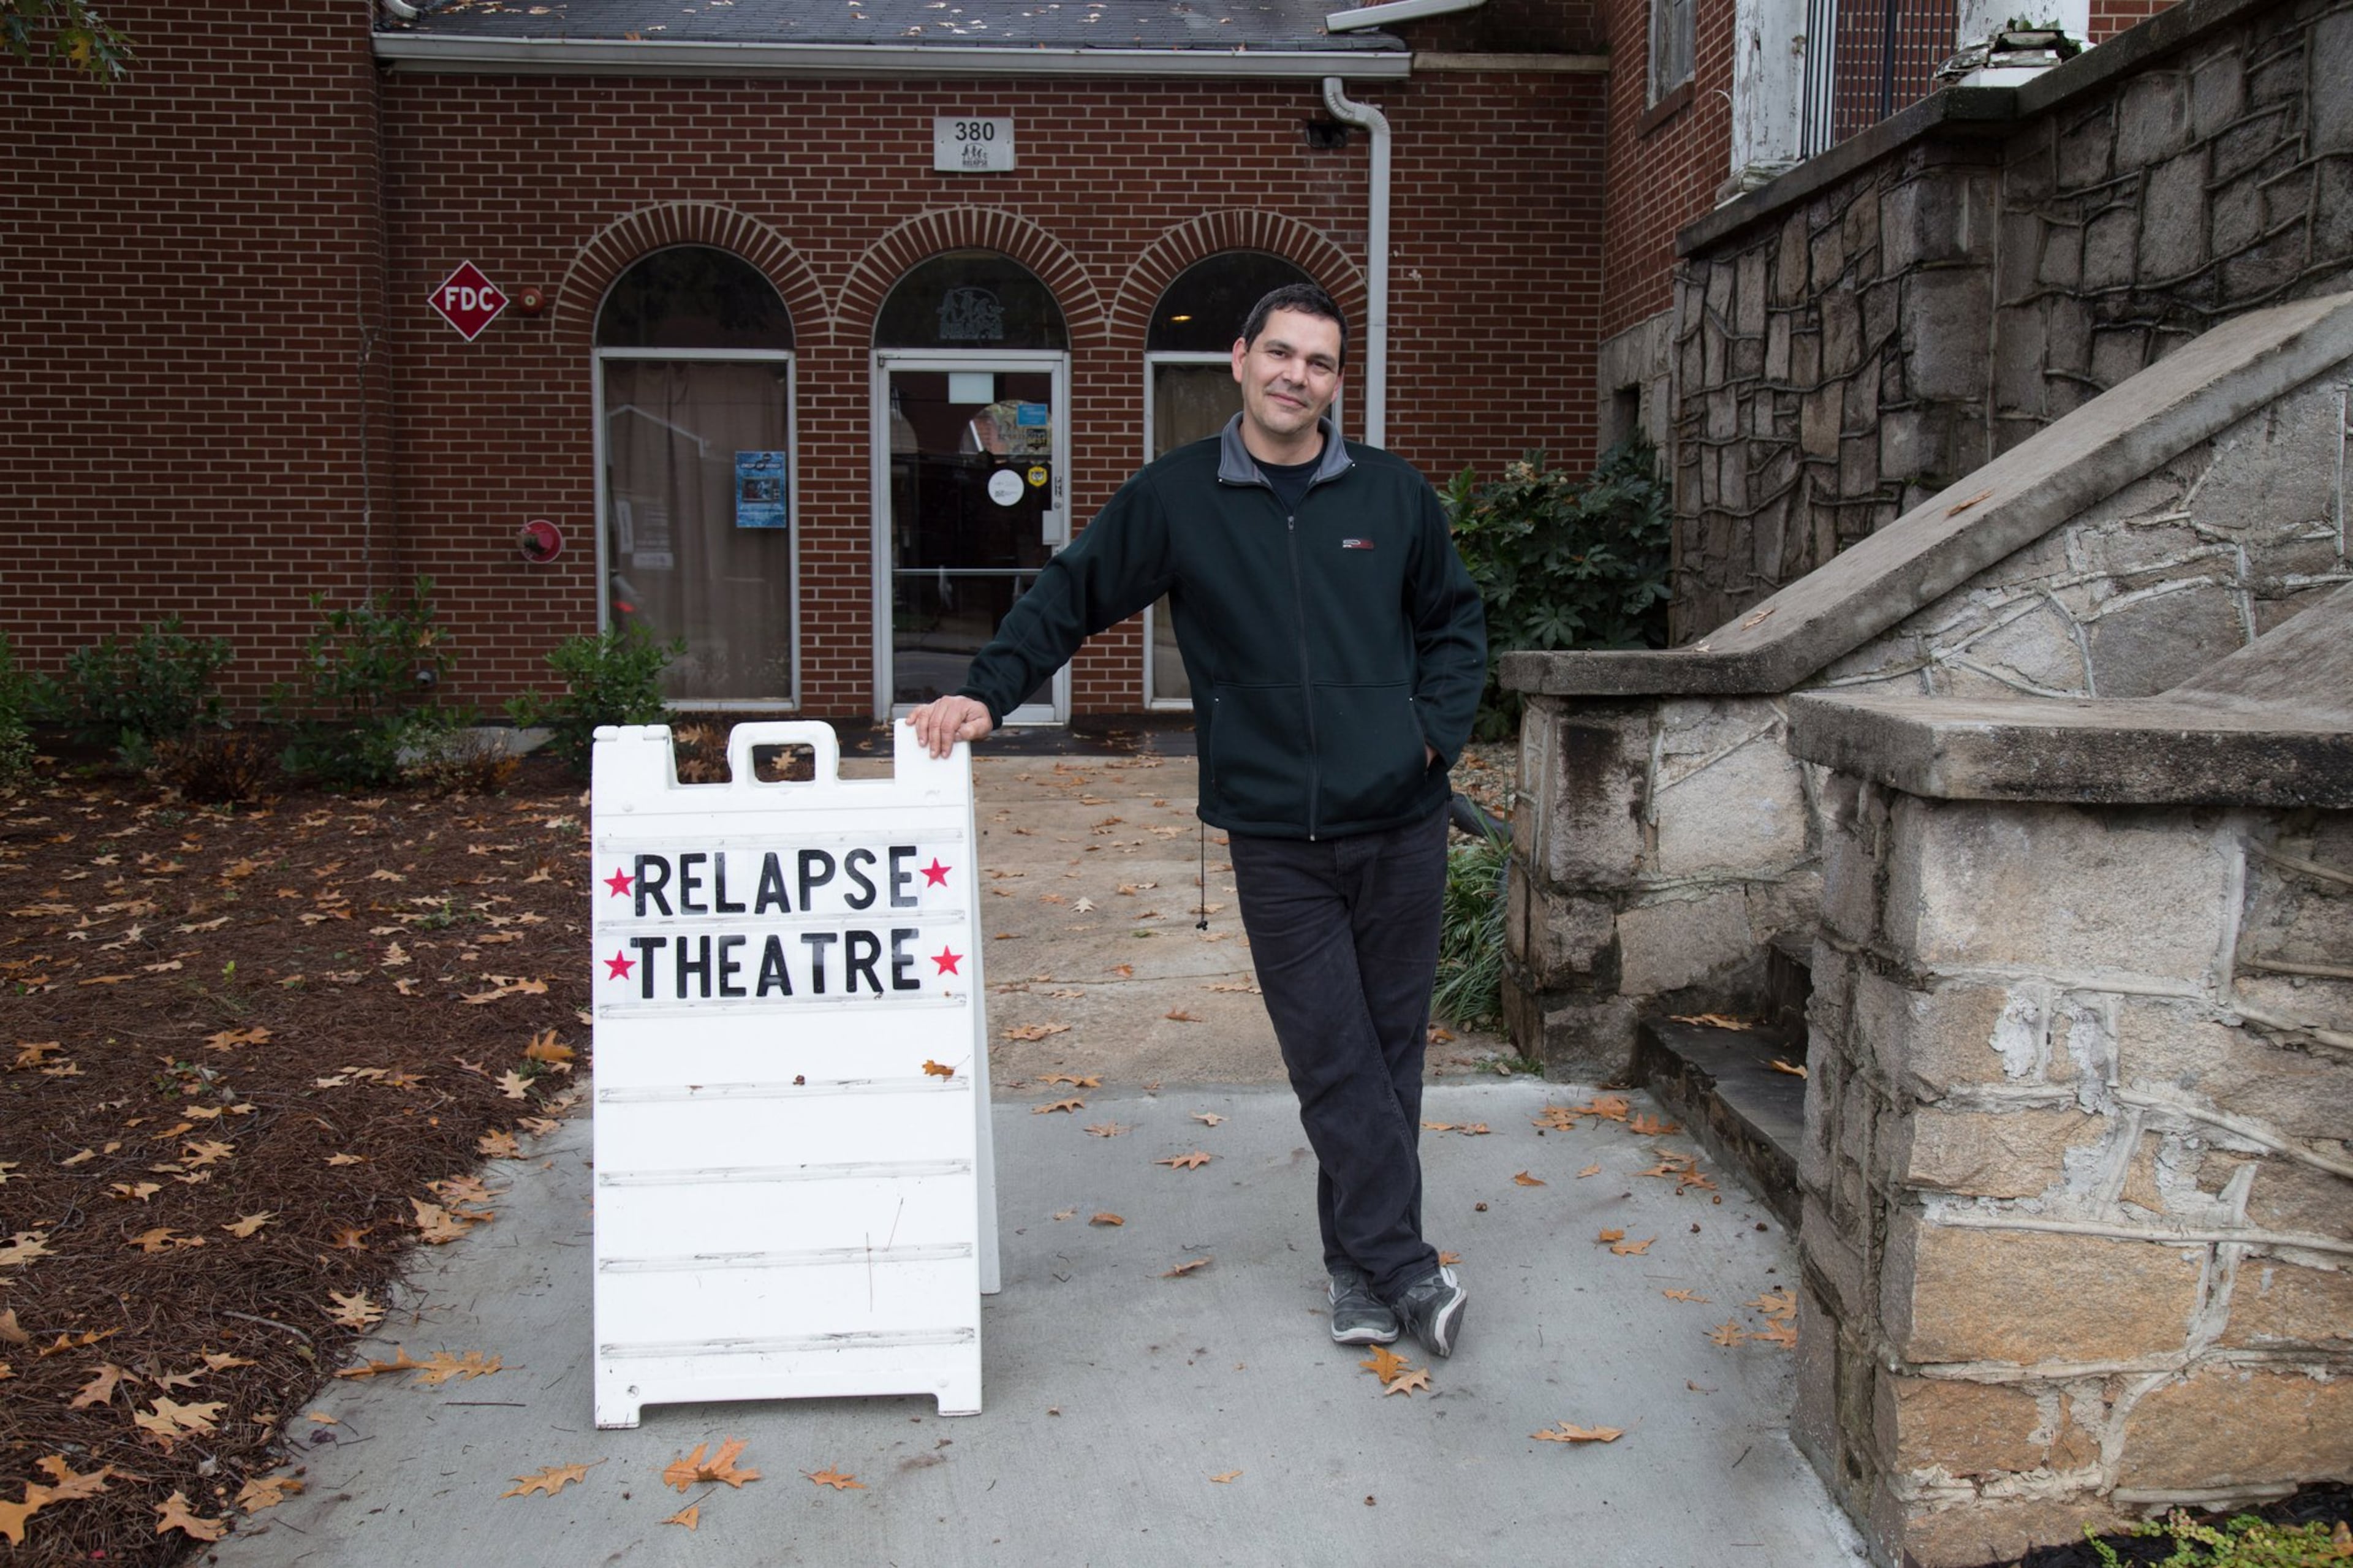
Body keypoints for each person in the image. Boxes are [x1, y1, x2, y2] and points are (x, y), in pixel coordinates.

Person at [907, 283, 1486, 1358]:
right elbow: (1071, 594)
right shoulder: (1177, 499)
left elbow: (1454, 624)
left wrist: (1430, 740)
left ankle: (1358, 1277)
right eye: (1279, 354)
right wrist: (990, 688)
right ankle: (1406, 1264)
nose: (1295, 376)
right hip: (1276, 838)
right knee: (1332, 1057)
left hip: (1402, 822)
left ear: (1336, 381)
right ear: (1239, 359)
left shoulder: (1394, 497)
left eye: (1318, 363)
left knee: (1388, 1052)